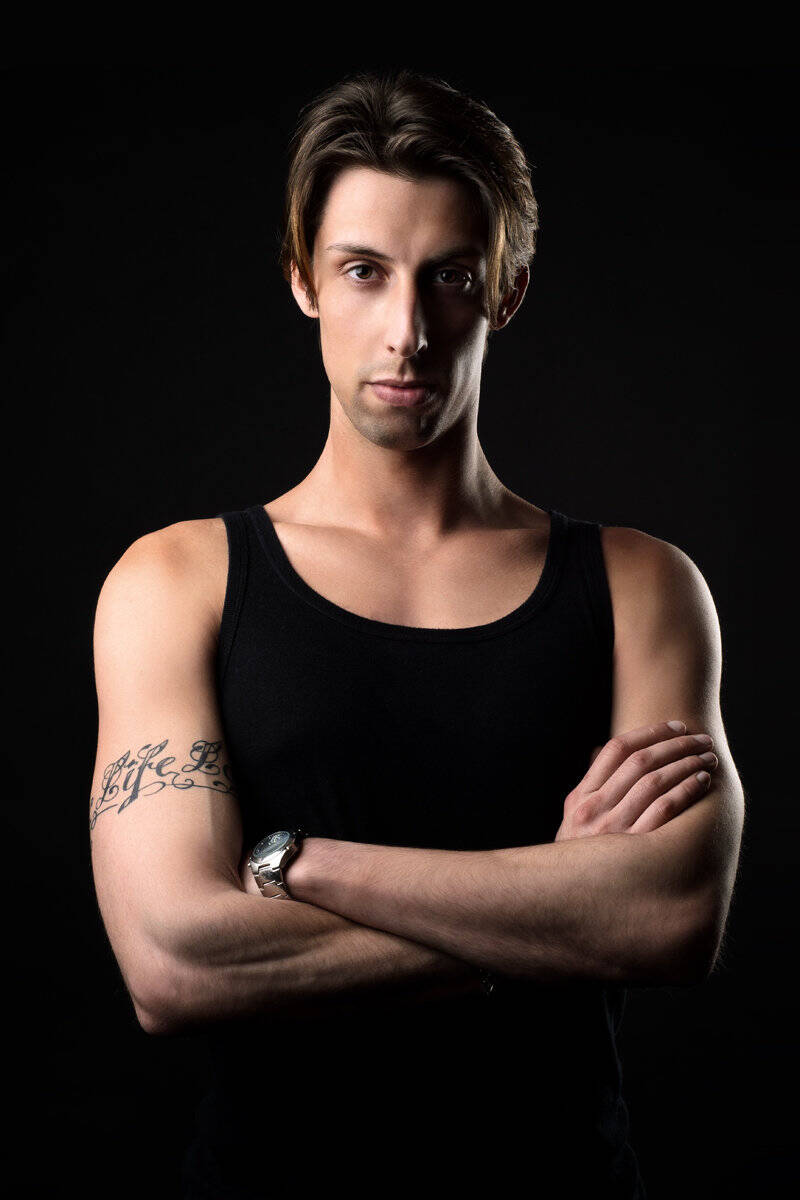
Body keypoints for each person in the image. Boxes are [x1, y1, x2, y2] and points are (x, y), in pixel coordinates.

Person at [89, 70, 744, 1199]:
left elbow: (670, 919)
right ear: (302, 279)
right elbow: (173, 962)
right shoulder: (177, 581)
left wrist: (295, 866)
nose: (407, 331)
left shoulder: (641, 588)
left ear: (506, 291)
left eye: (449, 276)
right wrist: (555, 905)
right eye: (363, 271)